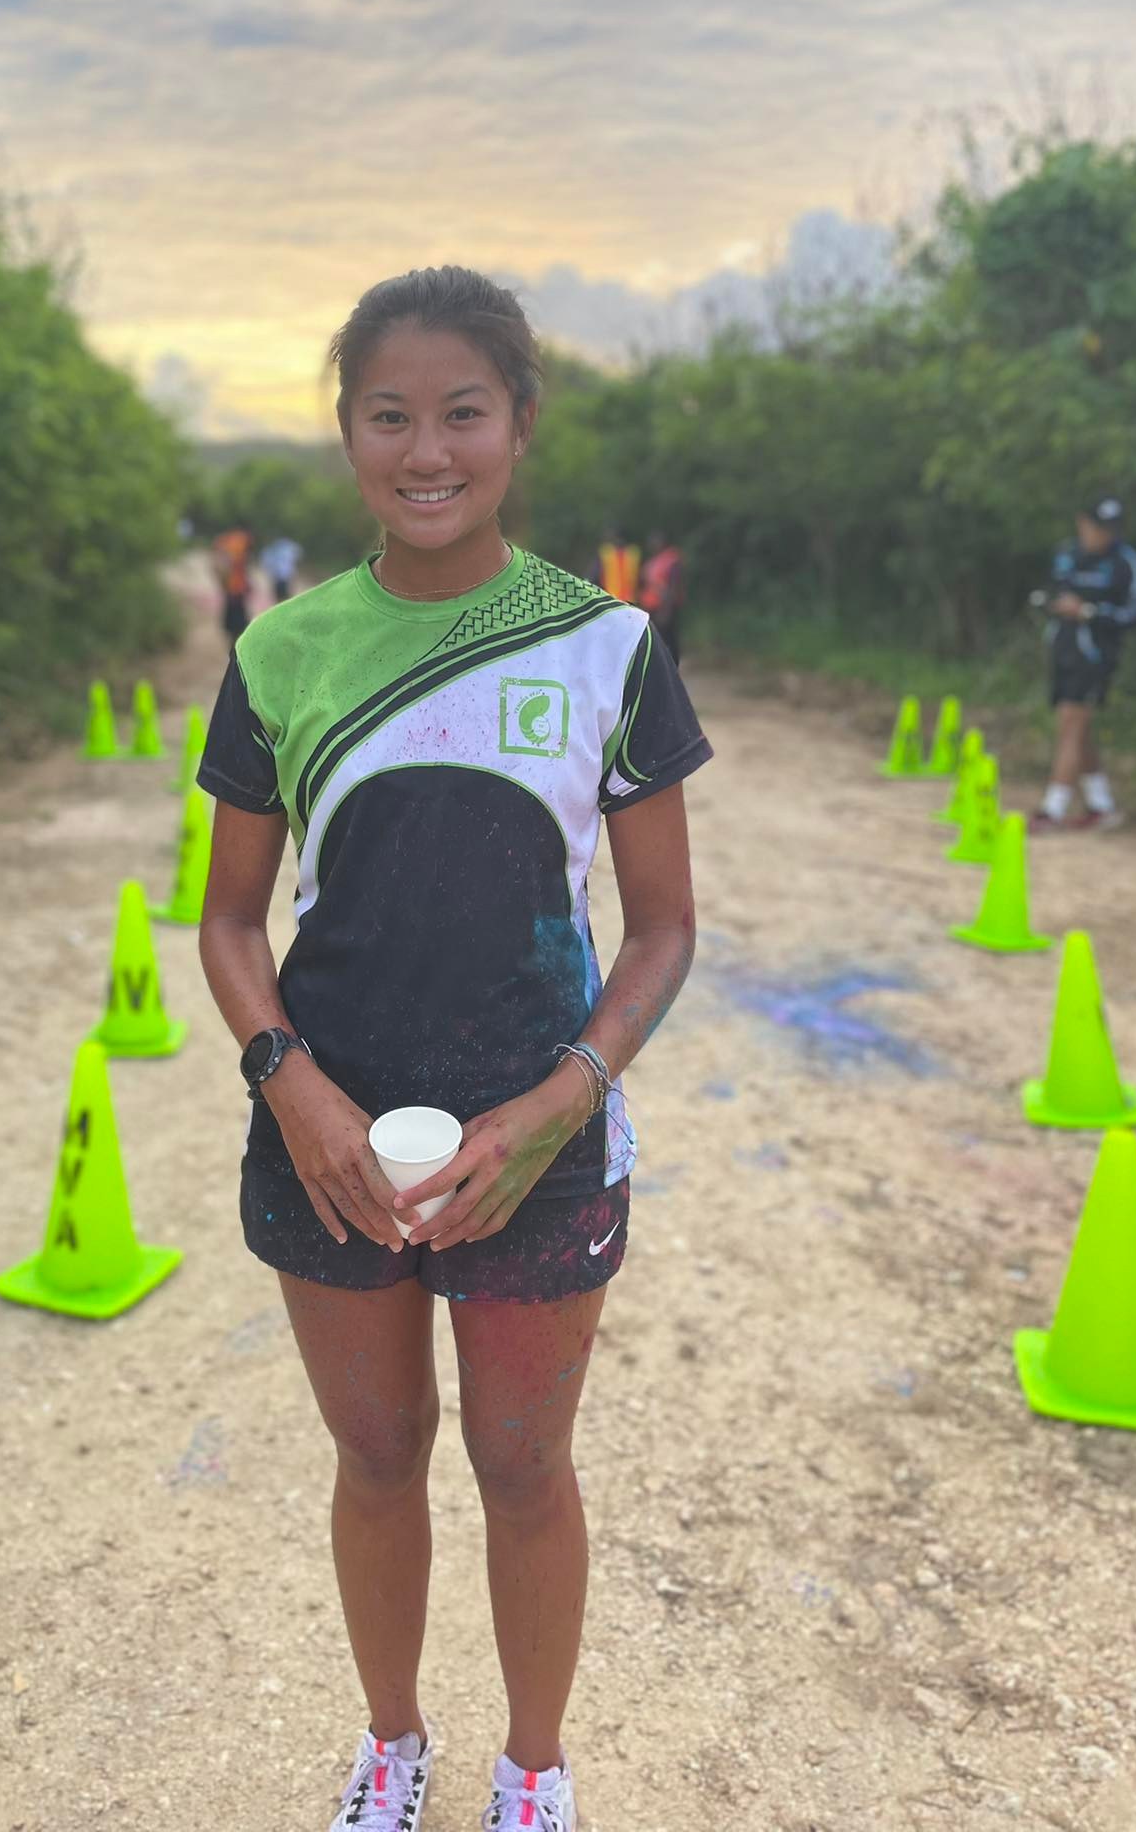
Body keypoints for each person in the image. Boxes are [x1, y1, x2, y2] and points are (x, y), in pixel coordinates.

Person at [195, 267, 710, 1832]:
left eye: (462, 414)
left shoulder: (608, 648)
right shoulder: (282, 652)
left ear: (520, 425)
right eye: (389, 416)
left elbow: (663, 931)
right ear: (348, 432)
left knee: (524, 1465)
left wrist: (563, 1101)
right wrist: (294, 1087)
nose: (427, 451)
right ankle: (392, 1745)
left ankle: (533, 1770)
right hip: (331, 1147)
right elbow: (226, 924)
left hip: (538, 1146)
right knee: (377, 1458)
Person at [1030, 495, 1136, 834]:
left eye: (1111, 528)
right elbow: (1049, 593)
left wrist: (1089, 612)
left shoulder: (1126, 562)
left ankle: (1052, 809)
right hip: (1063, 648)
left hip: (1097, 655)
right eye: (1098, 527)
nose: (1104, 535)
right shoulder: (1067, 555)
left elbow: (1132, 614)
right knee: (1076, 727)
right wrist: (1052, 604)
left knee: (1072, 722)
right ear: (1083, 524)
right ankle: (1101, 805)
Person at [637, 530, 686, 664]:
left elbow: (674, 585)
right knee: (655, 641)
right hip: (651, 608)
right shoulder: (651, 562)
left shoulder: (671, 560)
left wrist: (666, 610)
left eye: (655, 540)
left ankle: (673, 667)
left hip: (664, 607)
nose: (652, 544)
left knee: (668, 640)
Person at [211, 523, 253, 649]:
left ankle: (233, 645)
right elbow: (240, 565)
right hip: (236, 589)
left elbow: (217, 565)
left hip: (230, 588)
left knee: (233, 623)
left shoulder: (224, 541)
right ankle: (236, 646)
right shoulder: (240, 541)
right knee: (239, 623)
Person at [589, 527, 639, 603]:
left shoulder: (606, 552)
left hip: (610, 600)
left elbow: (593, 576)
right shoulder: (633, 553)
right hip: (629, 602)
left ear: (614, 537)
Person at [259, 533, 304, 603]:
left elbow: (266, 563)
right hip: (286, 574)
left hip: (279, 576)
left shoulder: (271, 548)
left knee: (280, 596)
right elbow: (298, 556)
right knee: (286, 596)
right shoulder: (289, 545)